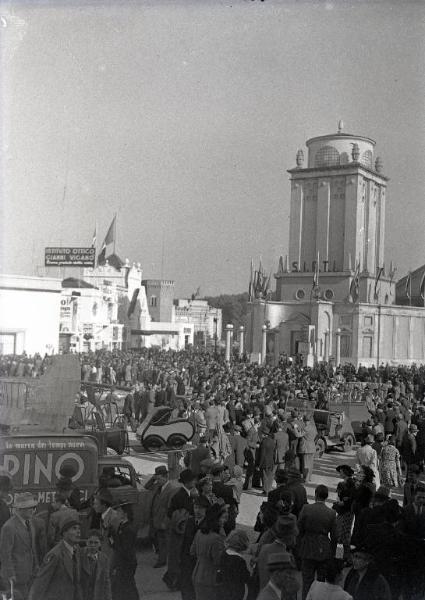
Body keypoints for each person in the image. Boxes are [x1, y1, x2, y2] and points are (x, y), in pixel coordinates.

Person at [0, 492, 46, 600]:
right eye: (28, 507)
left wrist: (36, 566)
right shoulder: (9, 527)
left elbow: (32, 548)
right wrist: (10, 575)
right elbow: (5, 553)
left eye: (33, 507)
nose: (32, 510)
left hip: (29, 574)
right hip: (15, 577)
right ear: (20, 509)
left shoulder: (30, 523)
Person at [297, 485, 337, 600]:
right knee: (321, 582)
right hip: (323, 550)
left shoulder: (306, 508)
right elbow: (335, 536)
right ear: (326, 497)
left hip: (308, 547)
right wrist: (332, 554)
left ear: (315, 495)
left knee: (307, 582)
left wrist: (299, 546)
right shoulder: (331, 513)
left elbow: (298, 529)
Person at [28, 517, 82, 600]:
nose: (78, 532)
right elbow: (40, 584)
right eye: (74, 528)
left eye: (79, 529)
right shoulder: (55, 555)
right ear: (64, 533)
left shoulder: (76, 550)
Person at [164, 469, 196, 591]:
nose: (194, 482)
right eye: (192, 480)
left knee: (177, 557)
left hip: (177, 530)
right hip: (180, 531)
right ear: (187, 482)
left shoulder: (183, 493)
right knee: (178, 557)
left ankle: (174, 580)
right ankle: (173, 581)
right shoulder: (182, 496)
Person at [190, 503, 226, 600]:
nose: (224, 520)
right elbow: (218, 561)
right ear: (216, 520)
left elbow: (192, 551)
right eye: (222, 518)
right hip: (210, 577)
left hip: (197, 573)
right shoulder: (217, 538)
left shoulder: (199, 533)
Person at [148, 466, 178, 568]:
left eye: (160, 479)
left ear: (166, 477)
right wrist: (153, 478)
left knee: (164, 542)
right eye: (157, 479)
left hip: (163, 520)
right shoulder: (157, 487)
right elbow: (146, 487)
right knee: (158, 540)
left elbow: (170, 508)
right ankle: (163, 558)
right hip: (156, 519)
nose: (158, 481)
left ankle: (163, 560)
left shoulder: (171, 489)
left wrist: (165, 522)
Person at [110, 501, 139, 600]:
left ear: (125, 514)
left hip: (126, 562)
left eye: (119, 512)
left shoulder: (128, 529)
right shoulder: (123, 526)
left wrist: (114, 542)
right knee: (125, 586)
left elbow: (125, 548)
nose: (117, 513)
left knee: (127, 586)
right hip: (124, 562)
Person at [218, 529, 251, 600]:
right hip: (235, 592)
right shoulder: (239, 560)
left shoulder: (224, 553)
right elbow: (246, 578)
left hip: (223, 589)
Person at [80, 529, 112, 600]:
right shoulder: (79, 555)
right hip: (81, 595)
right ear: (86, 542)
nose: (93, 545)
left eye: (96, 543)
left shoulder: (104, 559)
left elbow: (107, 581)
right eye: (90, 542)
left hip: (96, 595)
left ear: (100, 544)